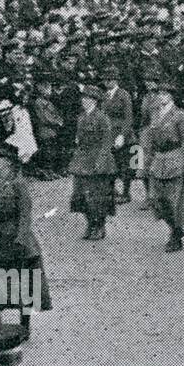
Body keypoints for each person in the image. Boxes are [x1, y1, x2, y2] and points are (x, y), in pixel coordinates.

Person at [0, 144, 52, 337]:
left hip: (16, 239)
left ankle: (24, 325)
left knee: (24, 284)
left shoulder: (19, 184)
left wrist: (21, 239)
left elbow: (25, 215)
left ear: (8, 162)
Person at [138, 82, 184, 252]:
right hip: (158, 160)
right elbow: (148, 142)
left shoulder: (180, 115)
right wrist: (144, 164)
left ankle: (175, 235)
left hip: (175, 159)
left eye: (165, 94)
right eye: (159, 93)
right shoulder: (154, 114)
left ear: (171, 96)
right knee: (157, 200)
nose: (161, 97)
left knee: (173, 202)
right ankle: (176, 229)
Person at [68, 85, 117, 240]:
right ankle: (90, 223)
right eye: (83, 98)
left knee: (97, 197)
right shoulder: (81, 117)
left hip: (98, 158)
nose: (85, 101)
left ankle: (99, 225)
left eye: (89, 98)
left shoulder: (102, 118)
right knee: (80, 196)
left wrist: (101, 161)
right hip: (82, 159)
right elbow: (78, 139)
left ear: (95, 101)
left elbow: (107, 142)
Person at [100, 66, 135, 205]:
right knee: (109, 163)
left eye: (110, 80)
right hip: (108, 133)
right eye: (105, 80)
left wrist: (122, 135)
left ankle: (126, 193)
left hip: (121, 132)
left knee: (124, 164)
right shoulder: (104, 95)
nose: (107, 82)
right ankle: (112, 190)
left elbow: (128, 117)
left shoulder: (123, 95)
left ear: (116, 80)